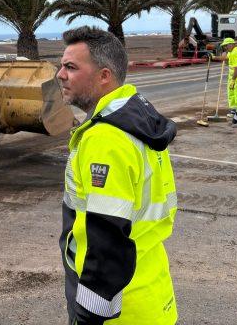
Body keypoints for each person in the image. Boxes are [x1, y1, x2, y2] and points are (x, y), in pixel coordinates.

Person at [57, 26, 178, 325]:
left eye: (71, 67)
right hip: (151, 290)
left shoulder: (106, 139)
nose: (60, 74)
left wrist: (88, 315)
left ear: (104, 76)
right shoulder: (136, 121)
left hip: (120, 310)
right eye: (61, 66)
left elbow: (107, 239)